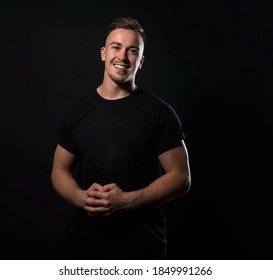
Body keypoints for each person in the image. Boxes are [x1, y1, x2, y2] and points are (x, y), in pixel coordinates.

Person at [51, 16, 191, 260]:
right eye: (116, 47)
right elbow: (59, 169)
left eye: (132, 51)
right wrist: (80, 197)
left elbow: (181, 176)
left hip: (141, 250)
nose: (123, 57)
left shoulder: (159, 113)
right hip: (83, 249)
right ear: (104, 53)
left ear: (141, 61)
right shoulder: (77, 111)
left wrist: (127, 201)